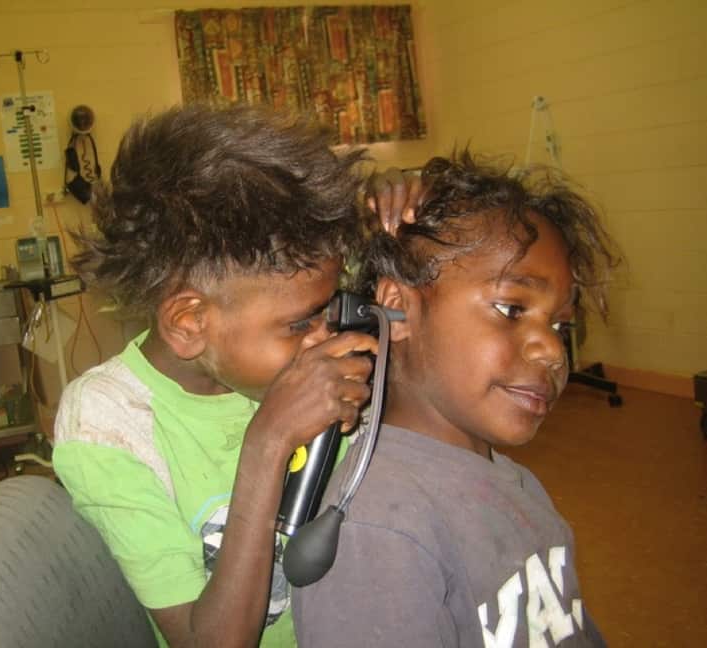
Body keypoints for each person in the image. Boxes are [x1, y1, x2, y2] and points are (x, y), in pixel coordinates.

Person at [52, 103, 397, 647]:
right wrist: (269, 442)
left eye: (325, 312)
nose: (320, 339)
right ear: (190, 322)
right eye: (300, 323)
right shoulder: (106, 421)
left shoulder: (263, 363)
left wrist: (406, 215)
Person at [293, 150, 620, 647]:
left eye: (560, 325)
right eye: (512, 308)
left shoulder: (511, 479)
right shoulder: (381, 533)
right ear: (396, 307)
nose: (554, 350)